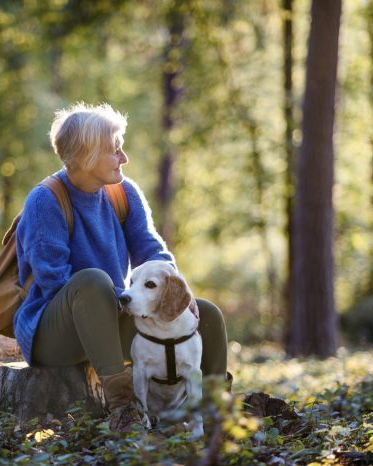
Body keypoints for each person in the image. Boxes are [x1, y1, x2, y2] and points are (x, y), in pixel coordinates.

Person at [14, 102, 229, 431]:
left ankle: (214, 414)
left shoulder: (124, 193)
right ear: (87, 154)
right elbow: (54, 281)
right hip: (55, 333)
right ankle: (124, 409)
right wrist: (123, 297)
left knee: (207, 313)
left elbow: (152, 251)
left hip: (112, 315)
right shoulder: (45, 200)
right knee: (92, 282)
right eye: (115, 150)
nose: (124, 158)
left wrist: (178, 293)